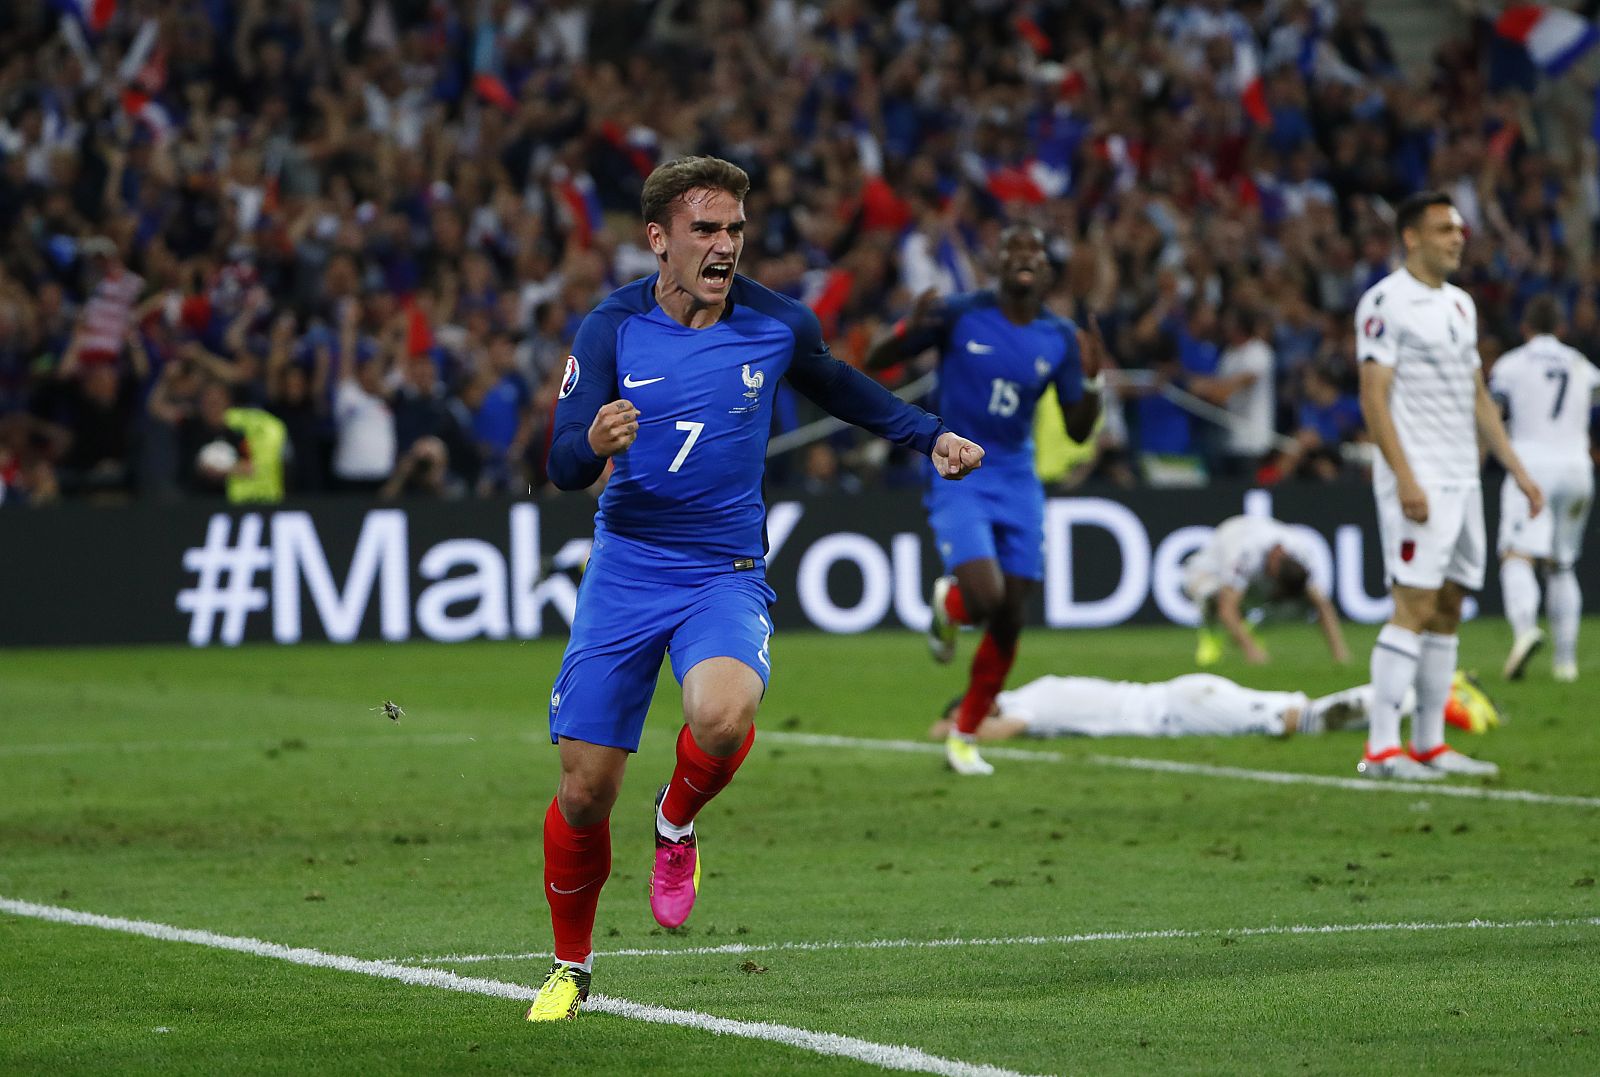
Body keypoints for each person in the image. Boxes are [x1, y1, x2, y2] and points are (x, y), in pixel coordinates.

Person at [525, 156, 984, 1021]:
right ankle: (572, 965)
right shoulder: (610, 328)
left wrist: (929, 436)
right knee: (584, 790)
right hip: (627, 566)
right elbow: (558, 465)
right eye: (706, 229)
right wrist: (591, 441)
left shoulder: (777, 324)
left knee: (724, 713)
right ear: (659, 239)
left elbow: (841, 387)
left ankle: (675, 821)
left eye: (735, 229)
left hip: (722, 570)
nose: (725, 245)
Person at [864, 225, 1102, 777]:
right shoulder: (957, 313)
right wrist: (905, 329)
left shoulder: (1060, 337)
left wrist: (1093, 384)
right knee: (986, 595)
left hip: (1018, 477)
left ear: (1047, 269)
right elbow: (877, 360)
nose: (1024, 258)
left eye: (1035, 252)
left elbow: (1079, 427)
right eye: (1013, 250)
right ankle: (951, 607)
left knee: (1012, 615)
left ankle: (965, 736)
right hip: (959, 467)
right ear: (996, 264)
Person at [1353, 190, 1543, 781]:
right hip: (1420, 476)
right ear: (1411, 238)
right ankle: (1383, 749)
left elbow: (1477, 397)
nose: (1457, 238)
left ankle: (1430, 743)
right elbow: (1373, 396)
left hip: (1463, 476)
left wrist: (1515, 466)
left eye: (1458, 230)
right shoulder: (1385, 303)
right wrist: (1405, 476)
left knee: (1451, 604)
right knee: (1412, 603)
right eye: (1443, 230)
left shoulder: (1461, 306)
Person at [1489, 295, 1600, 682]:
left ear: (1525, 328)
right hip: (1578, 467)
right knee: (1563, 563)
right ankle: (1565, 663)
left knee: (1516, 555)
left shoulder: (1511, 365)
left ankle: (1524, 632)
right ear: (1562, 328)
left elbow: (1494, 412)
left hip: (1532, 465)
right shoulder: (1582, 364)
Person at [925, 670, 1500, 742]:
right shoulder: (1038, 691)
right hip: (1184, 697)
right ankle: (1423, 694)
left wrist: (958, 733)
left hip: (1181, 707)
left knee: (1299, 722)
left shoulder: (1030, 699)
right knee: (1303, 715)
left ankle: (1433, 691)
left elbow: (1005, 729)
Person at [1183, 514, 1350, 667]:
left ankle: (1251, 629)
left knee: (1298, 605)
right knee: (1209, 594)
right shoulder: (1245, 554)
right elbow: (1227, 608)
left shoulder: (1301, 554)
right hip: (1222, 557)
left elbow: (1322, 604)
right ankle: (1212, 636)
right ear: (1274, 566)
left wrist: (1339, 653)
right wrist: (1252, 651)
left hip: (1257, 560)